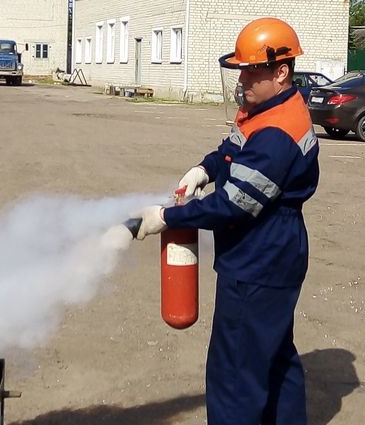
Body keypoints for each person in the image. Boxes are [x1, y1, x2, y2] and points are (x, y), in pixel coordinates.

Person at [132, 18, 319, 425]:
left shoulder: (277, 133)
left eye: (252, 69)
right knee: (274, 357)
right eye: (240, 69)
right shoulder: (268, 109)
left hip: (260, 258)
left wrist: (168, 216)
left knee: (236, 373)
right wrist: (204, 168)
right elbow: (232, 151)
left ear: (281, 71)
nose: (243, 78)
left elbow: (233, 205)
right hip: (276, 252)